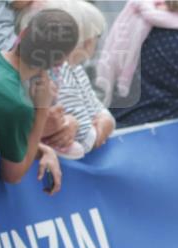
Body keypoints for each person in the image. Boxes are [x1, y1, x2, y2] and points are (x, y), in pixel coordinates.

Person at [0, 7, 76, 194]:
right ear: (59, 62)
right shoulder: (18, 105)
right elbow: (13, 175)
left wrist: (42, 148)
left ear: (22, 33)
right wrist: (42, 110)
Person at [54, 0, 116, 156]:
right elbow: (85, 139)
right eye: (98, 36)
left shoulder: (76, 68)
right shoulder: (59, 73)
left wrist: (104, 122)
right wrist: (102, 127)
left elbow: (102, 112)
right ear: (88, 40)